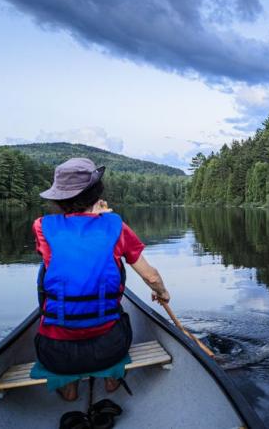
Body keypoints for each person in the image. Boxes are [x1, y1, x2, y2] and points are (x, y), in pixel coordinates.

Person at [33, 158, 170, 401]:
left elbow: (72, 252)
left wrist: (93, 217)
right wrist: (162, 293)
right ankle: (111, 379)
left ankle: (69, 387)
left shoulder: (42, 227)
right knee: (116, 287)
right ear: (97, 193)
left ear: (57, 198)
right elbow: (150, 276)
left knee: (47, 270)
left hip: (56, 353)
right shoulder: (115, 225)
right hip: (108, 348)